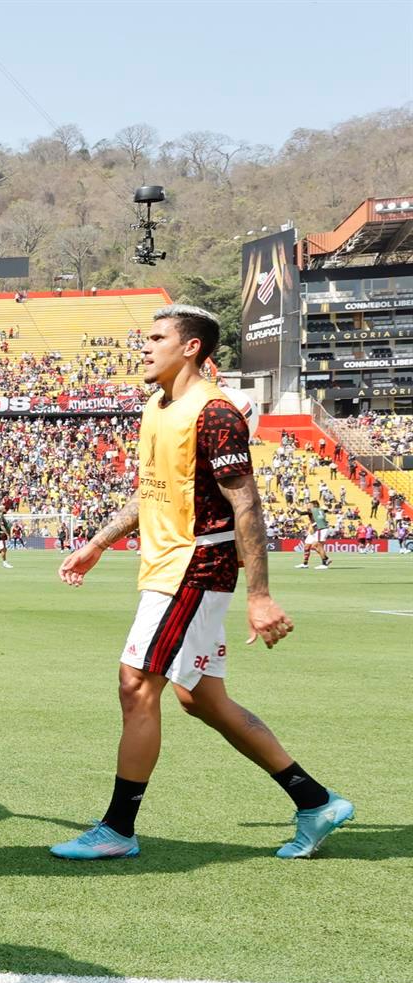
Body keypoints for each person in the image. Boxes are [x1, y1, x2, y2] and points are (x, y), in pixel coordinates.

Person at [50, 305, 352, 861]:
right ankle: (316, 801)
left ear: (190, 347)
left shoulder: (214, 412)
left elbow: (247, 504)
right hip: (167, 567)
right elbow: (151, 491)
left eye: (157, 337)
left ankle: (117, 829)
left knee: (136, 686)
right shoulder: (154, 407)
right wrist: (97, 543)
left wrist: (259, 595)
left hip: (194, 567)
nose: (145, 347)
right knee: (202, 699)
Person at [300, 501, 331, 569]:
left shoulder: (313, 510)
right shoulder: (320, 510)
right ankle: (326, 559)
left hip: (320, 529)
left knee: (318, 545)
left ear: (314, 505)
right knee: (314, 546)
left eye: (310, 505)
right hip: (321, 529)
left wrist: (294, 509)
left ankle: (324, 563)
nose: (308, 506)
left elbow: (301, 513)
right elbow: (327, 510)